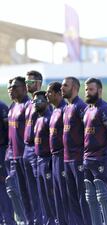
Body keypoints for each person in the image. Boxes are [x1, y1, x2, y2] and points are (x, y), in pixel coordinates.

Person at [82, 78, 107, 225]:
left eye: (91, 89)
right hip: (88, 159)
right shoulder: (87, 110)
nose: (88, 92)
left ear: (99, 90)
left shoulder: (105, 109)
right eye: (86, 89)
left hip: (102, 158)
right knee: (92, 197)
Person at [61, 76, 91, 225]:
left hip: (78, 159)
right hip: (67, 159)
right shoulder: (66, 108)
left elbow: (88, 133)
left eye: (65, 85)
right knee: (72, 199)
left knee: (82, 198)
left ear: (74, 88)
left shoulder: (81, 107)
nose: (62, 88)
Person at [6, 77, 31, 224]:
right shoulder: (12, 107)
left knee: (29, 193)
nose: (11, 89)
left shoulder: (29, 106)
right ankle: (23, 221)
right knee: (14, 192)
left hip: (25, 157)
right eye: (10, 87)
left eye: (15, 87)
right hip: (13, 157)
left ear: (24, 88)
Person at [46, 82, 69, 225]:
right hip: (54, 158)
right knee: (57, 198)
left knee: (66, 197)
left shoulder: (65, 110)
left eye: (49, 92)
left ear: (58, 93)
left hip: (63, 157)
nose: (47, 94)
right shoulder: (54, 111)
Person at [32, 90, 56, 225]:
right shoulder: (38, 119)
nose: (36, 104)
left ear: (47, 101)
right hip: (39, 160)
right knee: (43, 198)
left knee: (51, 197)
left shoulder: (49, 118)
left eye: (39, 101)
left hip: (48, 161)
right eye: (34, 101)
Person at [24, 70, 44, 224]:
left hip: (38, 151)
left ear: (38, 83)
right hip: (27, 150)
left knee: (41, 191)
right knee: (30, 192)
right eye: (26, 81)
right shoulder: (28, 104)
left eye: (30, 82)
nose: (27, 84)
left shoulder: (43, 102)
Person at [0, 98, 15, 225]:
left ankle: (8, 220)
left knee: (3, 187)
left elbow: (8, 132)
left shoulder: (2, 107)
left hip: (1, 150)